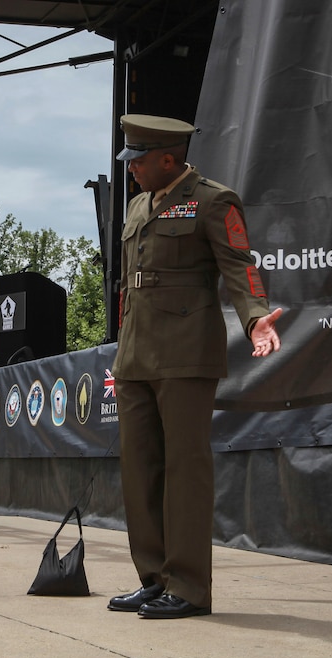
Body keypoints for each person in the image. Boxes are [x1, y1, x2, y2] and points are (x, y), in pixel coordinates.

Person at [107, 114, 283, 619]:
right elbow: (130, 286)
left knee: (185, 471)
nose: (132, 170)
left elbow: (240, 265)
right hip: (136, 356)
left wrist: (254, 321)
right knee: (139, 471)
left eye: (139, 161)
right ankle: (153, 577)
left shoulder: (213, 200)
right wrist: (120, 353)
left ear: (169, 158)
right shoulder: (139, 204)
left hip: (185, 354)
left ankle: (188, 587)